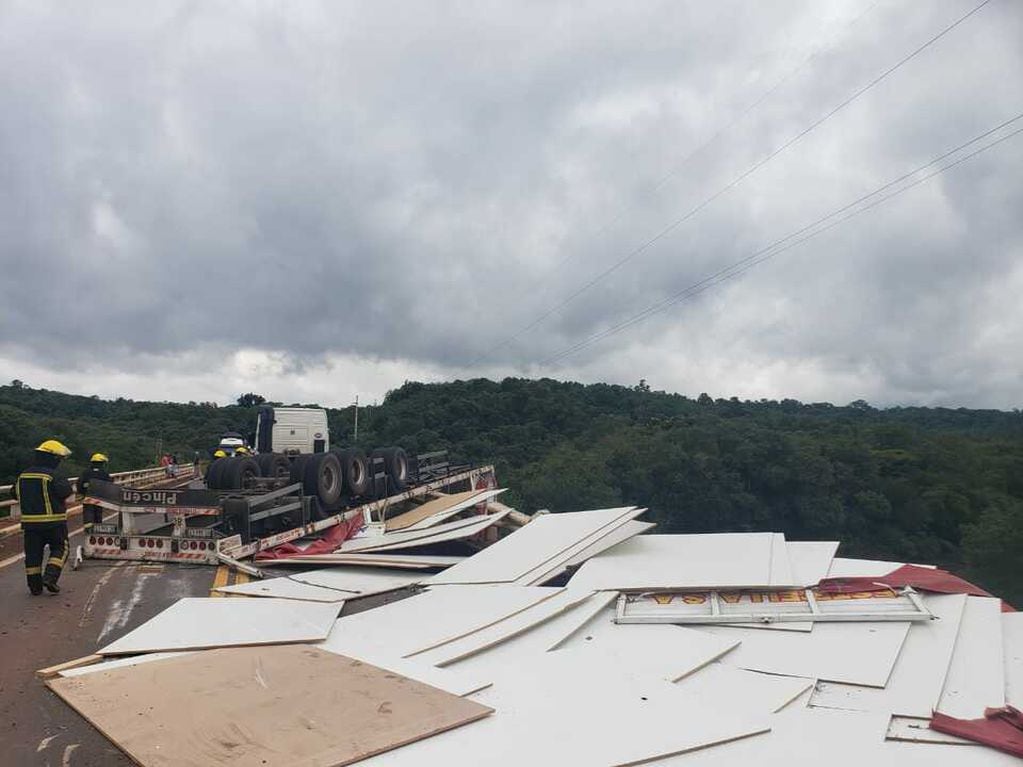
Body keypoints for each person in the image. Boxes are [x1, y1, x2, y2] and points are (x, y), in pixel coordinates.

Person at [11, 440, 74, 595]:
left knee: (33, 555)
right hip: (54, 523)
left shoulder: (23, 476)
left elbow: (14, 493)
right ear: (53, 458)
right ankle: (50, 577)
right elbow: (65, 492)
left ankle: (35, 587)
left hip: (30, 525)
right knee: (61, 548)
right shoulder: (53, 476)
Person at [77, 453, 112, 534]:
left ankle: (88, 529)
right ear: (102, 463)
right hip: (99, 498)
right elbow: (109, 485)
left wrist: (81, 493)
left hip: (87, 497)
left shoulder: (85, 472)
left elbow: (79, 484)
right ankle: (98, 529)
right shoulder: (104, 474)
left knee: (88, 513)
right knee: (98, 513)